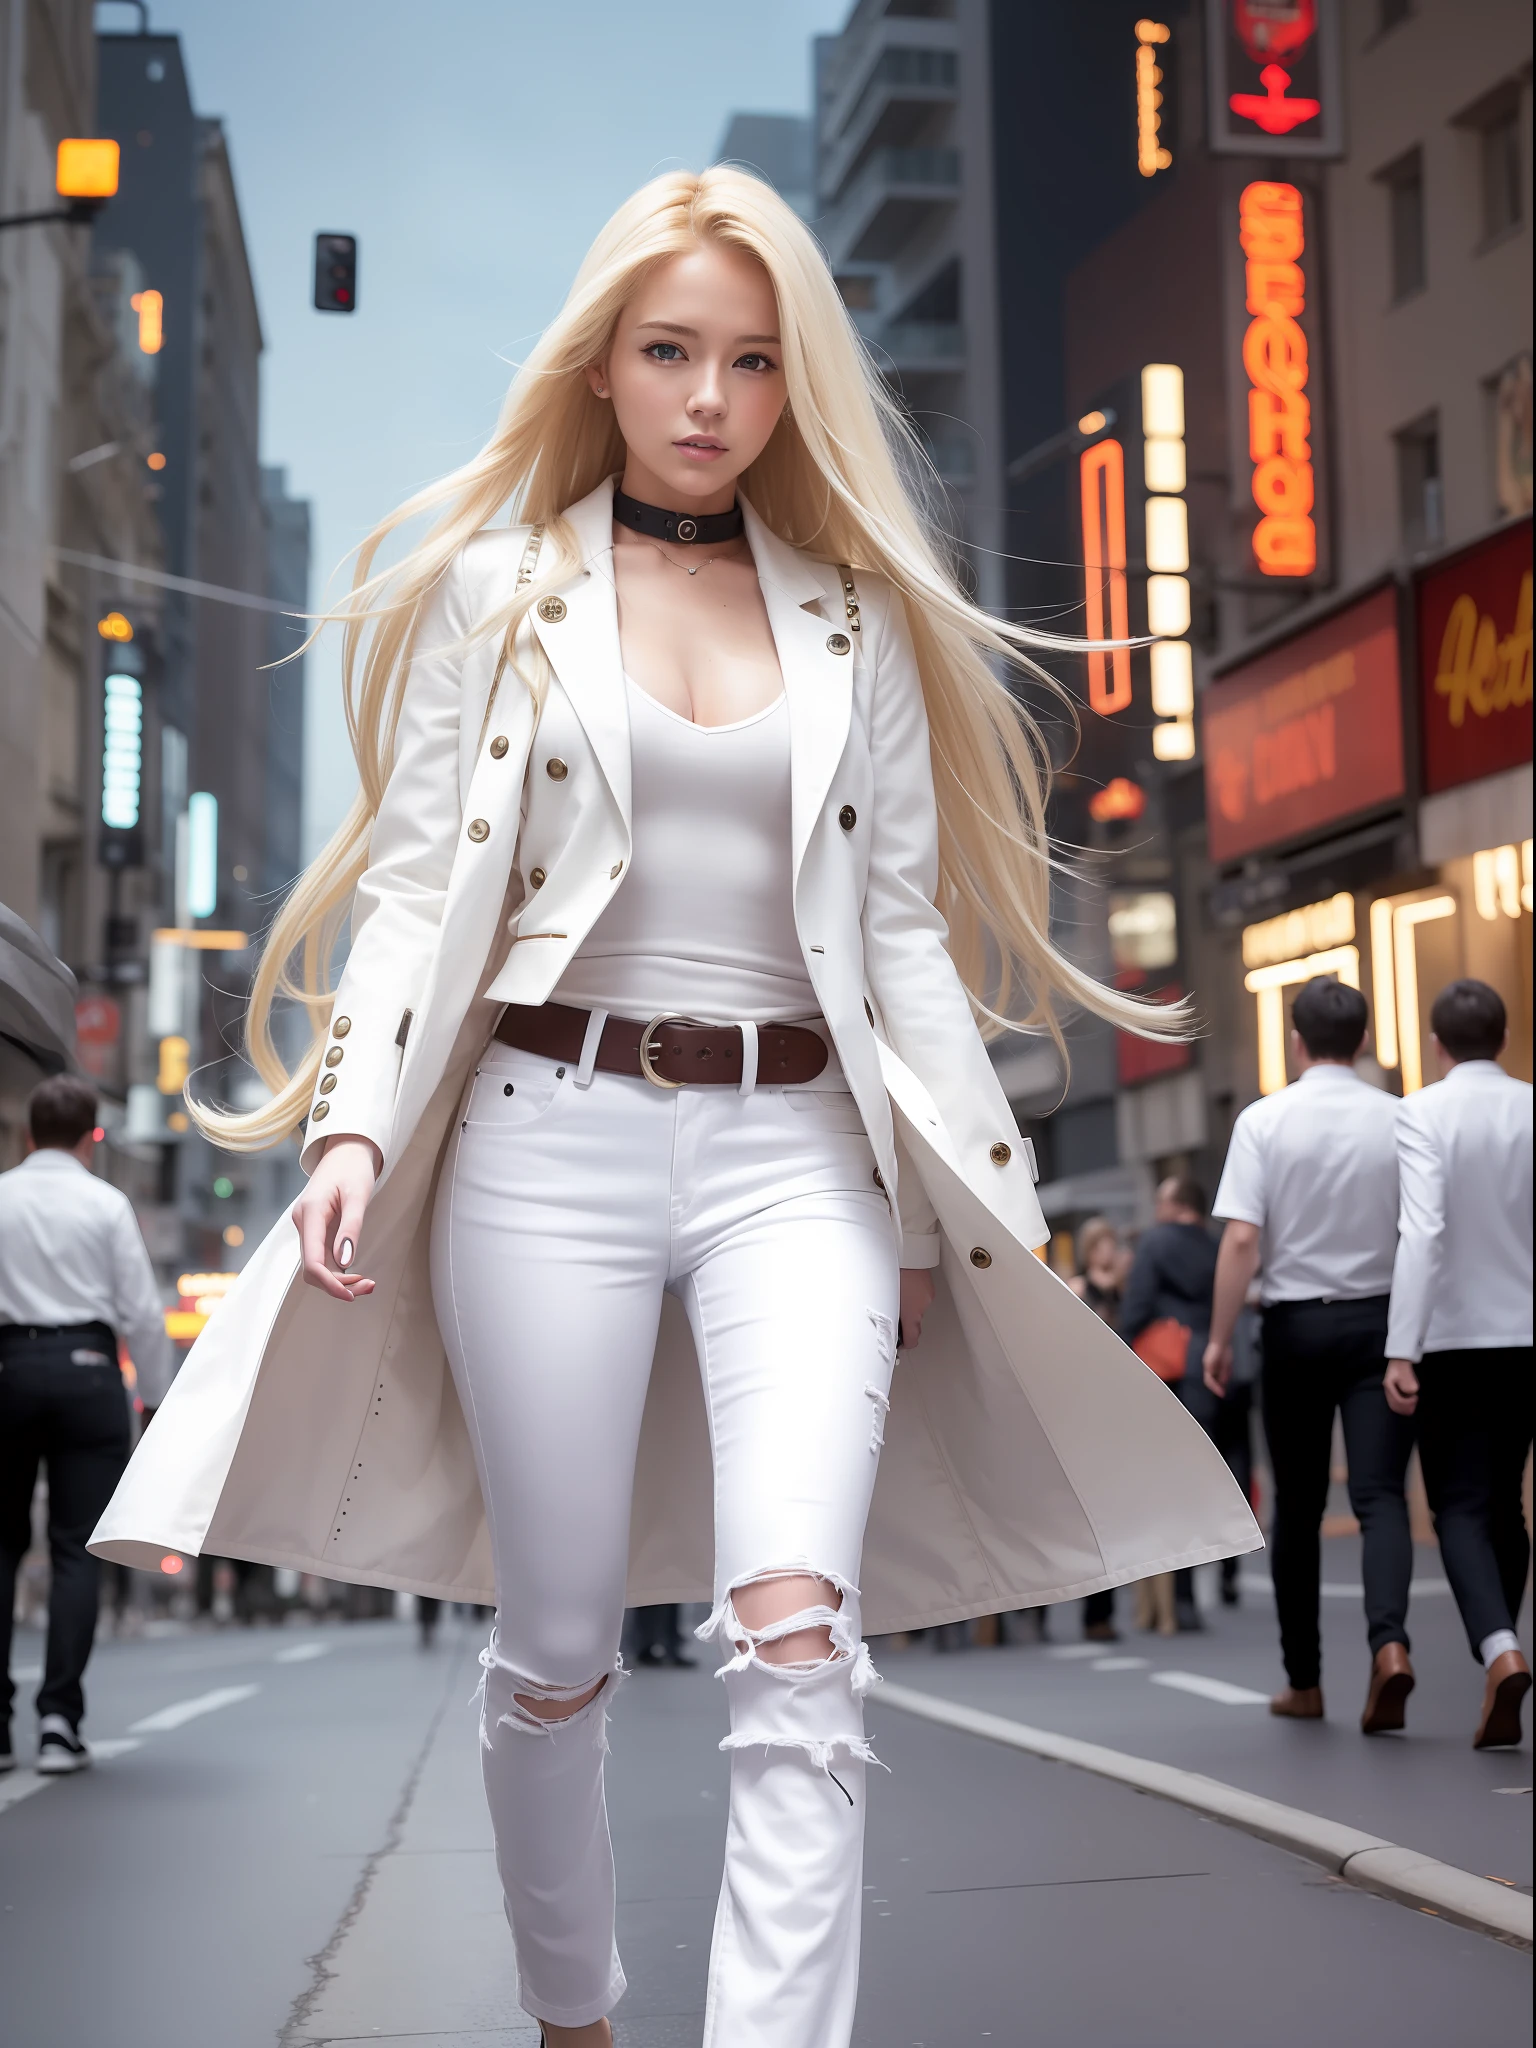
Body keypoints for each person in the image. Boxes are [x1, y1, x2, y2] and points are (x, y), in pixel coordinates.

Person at [93, 170, 1257, 2048]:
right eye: (670, 353)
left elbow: (894, 945)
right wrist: (349, 1125)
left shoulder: (858, 619)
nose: (710, 397)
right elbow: (411, 895)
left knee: (797, 1634)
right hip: (542, 1139)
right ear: (606, 365)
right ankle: (578, 2012)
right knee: (557, 1651)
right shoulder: (503, 586)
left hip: (801, 1153)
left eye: (752, 361)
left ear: (796, 386)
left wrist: (965, 1203)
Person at [1205, 976, 1414, 1733]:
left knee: (1296, 1505)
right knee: (1380, 1497)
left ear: (1294, 1041)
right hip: (1383, 1324)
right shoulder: (1400, 1119)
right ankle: (1390, 1646)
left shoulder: (1264, 1121)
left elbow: (1239, 1239)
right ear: (1362, 1041)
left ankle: (1306, 1682)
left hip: (1293, 1330)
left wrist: (1221, 1338)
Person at [0, 1075, 170, 1776]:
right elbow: (143, 1313)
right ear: (92, 1139)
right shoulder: (106, 1205)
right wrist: (156, 1403)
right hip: (90, 1375)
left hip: (7, 1372)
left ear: (30, 1134)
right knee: (76, 1550)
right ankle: (58, 1722)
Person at [1383, 981, 1533, 1750]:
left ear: (1437, 1045)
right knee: (1506, 1500)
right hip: (1528, 1337)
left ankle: (1501, 1649)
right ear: (1502, 1039)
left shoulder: (1423, 1110)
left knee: (1460, 1509)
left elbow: (1425, 1231)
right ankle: (1497, 1659)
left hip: (1453, 1339)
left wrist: (1401, 1345)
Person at [1121, 1177, 1223, 1631]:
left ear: (1173, 1204)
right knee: (1214, 1475)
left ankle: (1175, 1598)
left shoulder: (1156, 1243)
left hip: (1168, 1374)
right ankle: (1225, 1576)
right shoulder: (1218, 1244)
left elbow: (1138, 1304)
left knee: (1170, 1484)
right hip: (1216, 1367)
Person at [1071, 1218, 1126, 1640]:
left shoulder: (1127, 1293)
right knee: (1090, 1515)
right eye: (1099, 1245)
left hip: (1117, 1404)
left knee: (1115, 1513)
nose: (1106, 1252)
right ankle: (1093, 1613)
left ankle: (1107, 1611)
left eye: (1110, 1244)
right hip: (1085, 1406)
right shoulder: (1076, 1289)